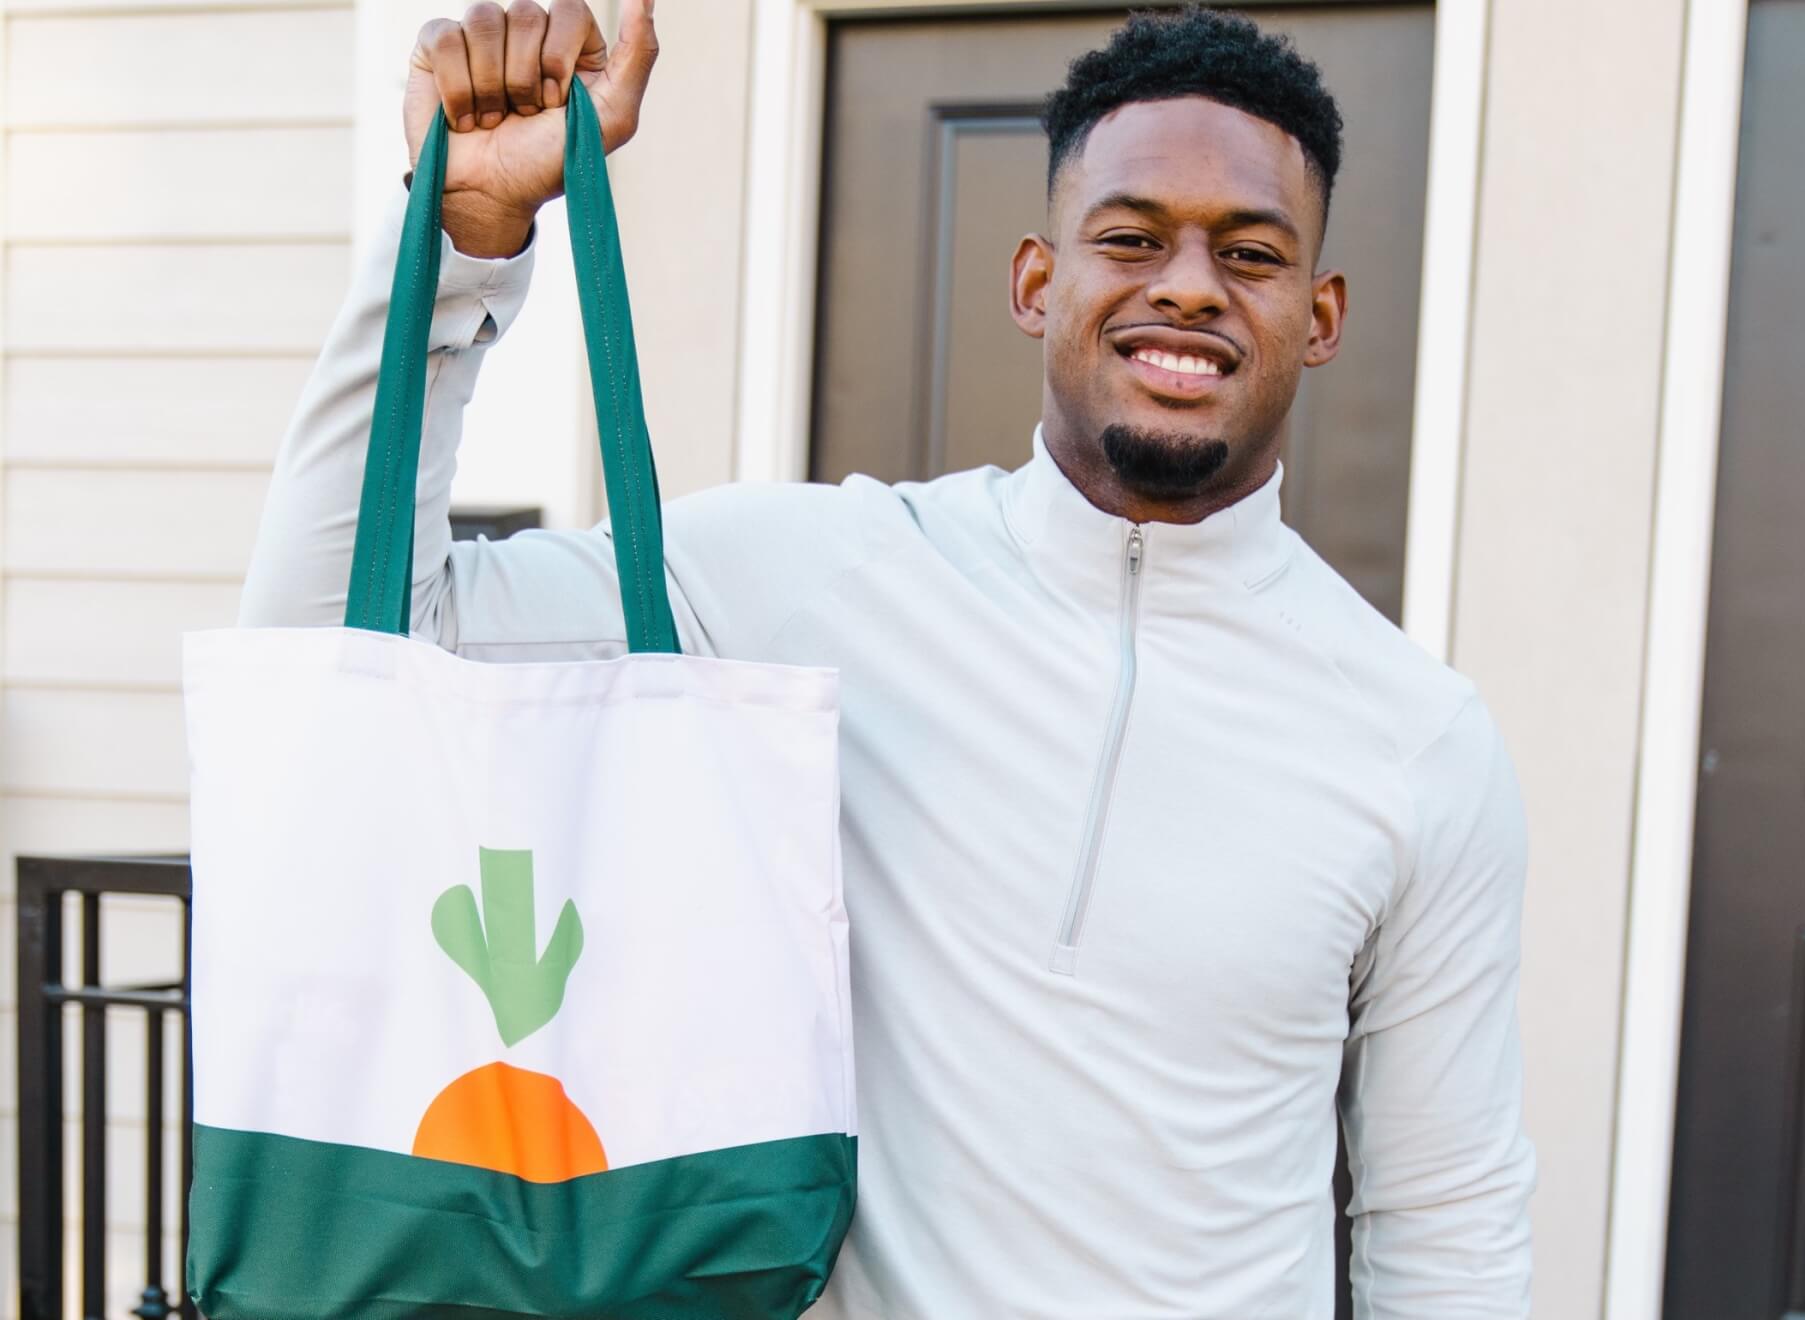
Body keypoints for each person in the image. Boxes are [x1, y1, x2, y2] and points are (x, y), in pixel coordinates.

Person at [240, 1, 1538, 1314]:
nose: (1189, 286)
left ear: (1319, 316)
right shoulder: (805, 582)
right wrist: (465, 239)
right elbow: (340, 641)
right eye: (1131, 238)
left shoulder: (1418, 740)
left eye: (1249, 254)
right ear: (1038, 284)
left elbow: (1449, 1227)